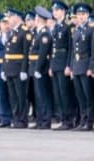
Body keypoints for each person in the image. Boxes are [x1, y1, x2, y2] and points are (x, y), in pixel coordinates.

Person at [2, 8, 32, 129]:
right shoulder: (12, 32)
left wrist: (24, 70)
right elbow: (6, 53)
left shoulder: (25, 32)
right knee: (13, 96)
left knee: (21, 96)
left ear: (17, 17)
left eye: (10, 17)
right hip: (10, 68)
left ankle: (22, 119)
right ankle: (16, 118)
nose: (8, 20)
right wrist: (4, 69)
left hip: (19, 69)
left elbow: (26, 53)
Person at [50, 1, 74, 130]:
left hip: (64, 62)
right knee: (58, 93)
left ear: (63, 11)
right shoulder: (56, 27)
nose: (55, 12)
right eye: (54, 10)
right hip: (56, 63)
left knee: (65, 94)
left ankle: (69, 120)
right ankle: (63, 118)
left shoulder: (67, 27)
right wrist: (51, 66)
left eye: (57, 10)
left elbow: (70, 48)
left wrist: (68, 65)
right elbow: (53, 48)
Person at [28, 6, 53, 130]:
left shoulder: (45, 34)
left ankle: (45, 121)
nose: (35, 19)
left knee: (43, 96)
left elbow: (42, 54)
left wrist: (37, 69)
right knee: (38, 96)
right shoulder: (38, 33)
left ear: (40, 19)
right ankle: (39, 119)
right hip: (34, 67)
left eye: (37, 17)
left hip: (41, 69)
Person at [70, 3, 93, 131]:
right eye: (79, 14)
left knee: (88, 96)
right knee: (80, 96)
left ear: (88, 15)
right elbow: (74, 51)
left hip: (86, 66)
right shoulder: (77, 30)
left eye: (83, 14)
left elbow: (93, 51)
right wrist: (72, 67)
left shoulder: (91, 29)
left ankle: (89, 122)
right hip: (77, 66)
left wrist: (91, 67)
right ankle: (83, 121)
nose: (81, 16)